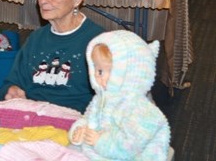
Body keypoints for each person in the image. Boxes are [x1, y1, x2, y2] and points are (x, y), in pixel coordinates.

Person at [0, 0, 104, 113]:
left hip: (74, 123)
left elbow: (109, 101)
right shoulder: (36, 39)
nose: (42, 0)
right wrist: (10, 91)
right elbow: (9, 84)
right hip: (32, 117)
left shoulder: (97, 42)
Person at [69, 30, 170, 160]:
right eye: (97, 69)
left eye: (104, 71)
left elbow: (131, 147)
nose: (96, 76)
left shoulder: (140, 109)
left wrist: (100, 141)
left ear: (129, 73)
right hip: (97, 150)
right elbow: (90, 117)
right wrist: (81, 129)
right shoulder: (101, 98)